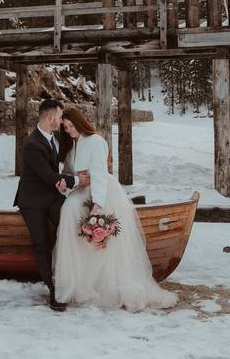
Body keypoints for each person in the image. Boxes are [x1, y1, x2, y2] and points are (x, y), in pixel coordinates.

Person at [52, 107, 177, 311]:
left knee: (108, 245)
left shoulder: (96, 141)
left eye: (72, 126)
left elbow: (99, 174)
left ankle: (106, 284)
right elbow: (69, 173)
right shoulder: (71, 146)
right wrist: (65, 186)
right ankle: (77, 281)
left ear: (80, 123)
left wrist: (98, 204)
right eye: (65, 128)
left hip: (101, 191)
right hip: (81, 190)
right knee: (68, 211)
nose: (69, 130)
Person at [13, 99, 89, 311]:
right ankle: (53, 289)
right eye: (59, 116)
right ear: (49, 118)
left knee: (72, 227)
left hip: (53, 196)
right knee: (41, 243)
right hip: (32, 200)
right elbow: (48, 176)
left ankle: (76, 274)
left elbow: (76, 146)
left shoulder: (56, 137)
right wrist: (77, 181)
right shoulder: (31, 144)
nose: (62, 119)